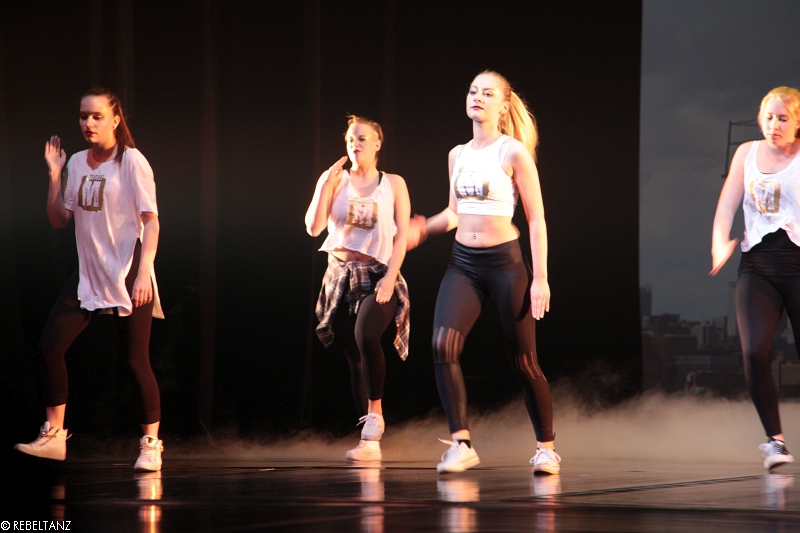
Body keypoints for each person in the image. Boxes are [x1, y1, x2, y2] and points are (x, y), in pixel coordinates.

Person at [406, 70, 559, 474]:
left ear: (503, 105)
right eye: (473, 91)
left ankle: (546, 448)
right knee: (442, 345)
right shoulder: (457, 154)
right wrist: (423, 228)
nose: (477, 97)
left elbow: (537, 219)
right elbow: (454, 213)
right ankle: (461, 444)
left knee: (524, 361)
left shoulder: (513, 152)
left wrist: (540, 277)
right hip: (464, 265)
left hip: (506, 265)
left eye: (487, 93)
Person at [14, 88, 165, 471]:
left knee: (136, 361)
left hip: (128, 268)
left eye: (97, 116)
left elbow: (151, 221)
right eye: (83, 116)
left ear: (115, 119)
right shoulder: (78, 162)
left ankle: (151, 445)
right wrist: (54, 175)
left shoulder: (132, 161)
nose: (88, 123)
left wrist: (144, 272)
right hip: (89, 271)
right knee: (50, 346)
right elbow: (58, 219)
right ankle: (54, 435)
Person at [305, 115, 411, 461]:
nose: (356, 144)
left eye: (363, 138)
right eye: (351, 139)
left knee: (366, 335)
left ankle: (375, 416)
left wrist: (390, 277)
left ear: (378, 143)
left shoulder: (393, 184)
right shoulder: (334, 180)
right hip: (339, 274)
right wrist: (325, 185)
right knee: (353, 357)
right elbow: (313, 228)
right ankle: (368, 441)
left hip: (377, 274)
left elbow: (402, 236)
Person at [711, 86, 800, 470]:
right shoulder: (746, 153)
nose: (774, 125)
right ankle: (776, 442)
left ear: (797, 122)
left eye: (782, 118)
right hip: (757, 265)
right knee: (754, 351)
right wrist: (719, 242)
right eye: (768, 117)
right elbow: (727, 203)